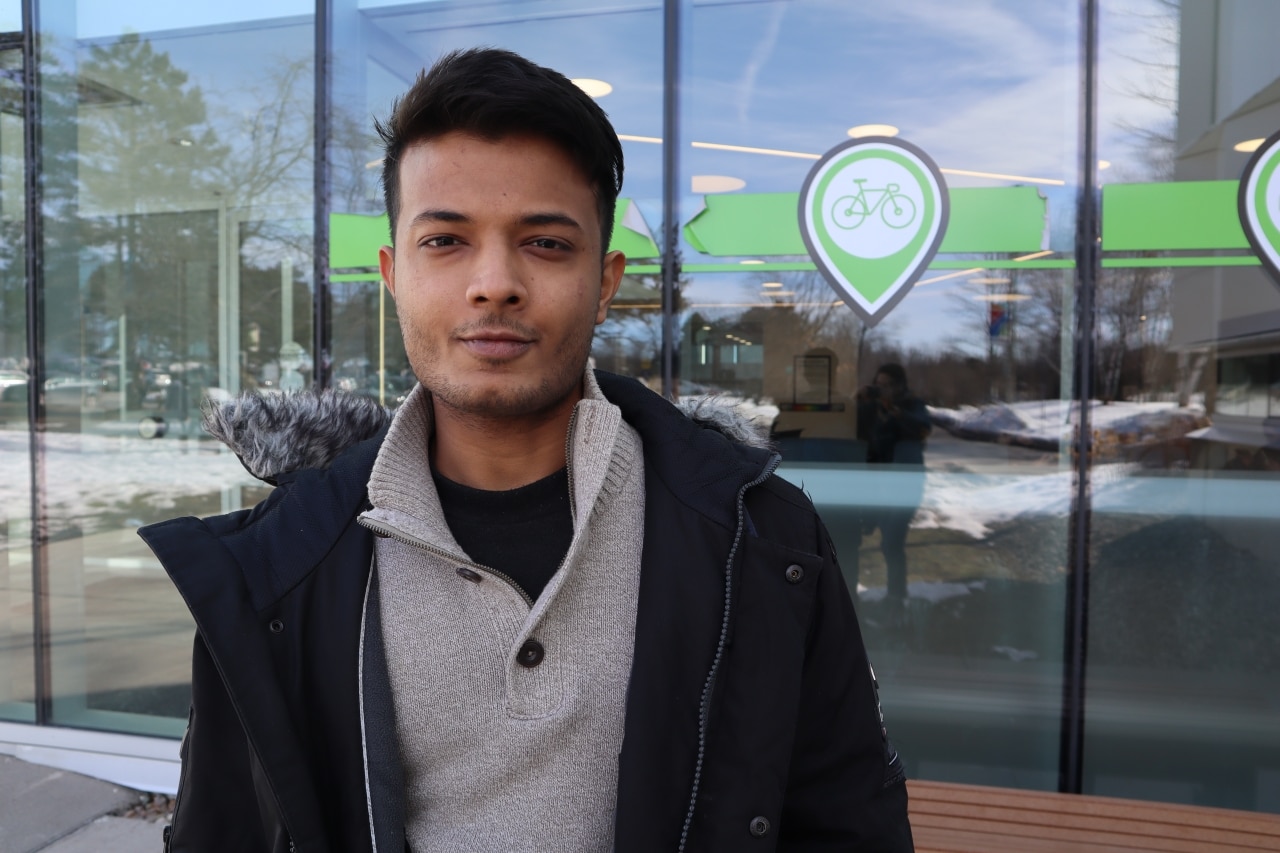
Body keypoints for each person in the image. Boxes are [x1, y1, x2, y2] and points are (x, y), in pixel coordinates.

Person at [141, 48, 912, 852]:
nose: (495, 283)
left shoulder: (761, 539)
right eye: (445, 241)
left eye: (545, 243)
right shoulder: (279, 566)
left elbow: (848, 822)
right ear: (392, 273)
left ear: (607, 280)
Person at [854, 364, 932, 621]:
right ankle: (854, 600)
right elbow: (852, 427)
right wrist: (857, 400)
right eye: (879, 384)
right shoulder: (872, 408)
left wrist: (895, 411)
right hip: (875, 487)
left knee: (892, 543)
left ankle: (896, 598)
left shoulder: (912, 405)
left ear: (899, 385)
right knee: (857, 538)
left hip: (903, 485)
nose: (882, 389)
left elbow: (922, 429)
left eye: (887, 384)